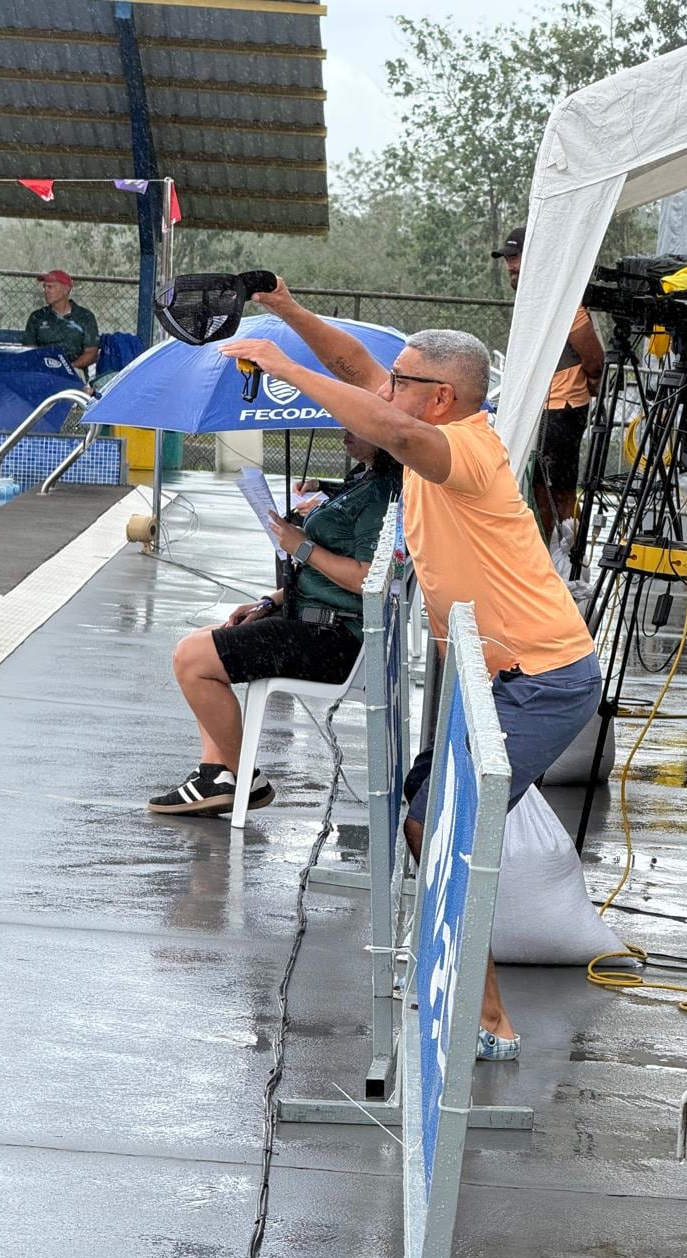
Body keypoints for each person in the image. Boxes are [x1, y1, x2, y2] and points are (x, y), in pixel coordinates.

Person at [220, 278, 601, 1061]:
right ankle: (461, 985)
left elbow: (385, 420)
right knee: (424, 813)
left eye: (401, 383)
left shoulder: (460, 449)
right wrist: (286, 310)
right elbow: (357, 370)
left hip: (541, 679)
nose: (384, 390)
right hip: (494, 676)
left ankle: (487, 1016)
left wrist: (281, 368)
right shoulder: (427, 425)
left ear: (441, 398)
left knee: (439, 821)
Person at [147, 430, 402, 815]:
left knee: (193, 658)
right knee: (203, 641)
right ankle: (216, 773)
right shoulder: (362, 480)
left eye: (357, 424)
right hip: (315, 621)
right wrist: (270, 601)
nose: (345, 430)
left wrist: (301, 545)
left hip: (336, 639)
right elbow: (317, 576)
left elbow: (368, 578)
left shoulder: (382, 495)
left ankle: (241, 777)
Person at [492, 226, 604, 543]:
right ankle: (555, 549)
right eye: (507, 259)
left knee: (551, 491)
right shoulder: (535, 297)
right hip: (540, 407)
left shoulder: (560, 296)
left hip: (562, 407)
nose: (511, 265)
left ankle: (555, 553)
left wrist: (593, 382)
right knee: (539, 486)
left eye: (516, 257)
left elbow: (593, 357)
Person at [24, 270, 100, 374]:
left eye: (50, 287)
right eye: (44, 287)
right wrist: (45, 367)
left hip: (74, 370)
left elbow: (91, 352)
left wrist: (70, 367)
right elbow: (29, 349)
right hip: (43, 370)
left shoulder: (85, 317)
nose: (46, 291)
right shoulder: (37, 317)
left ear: (66, 290)